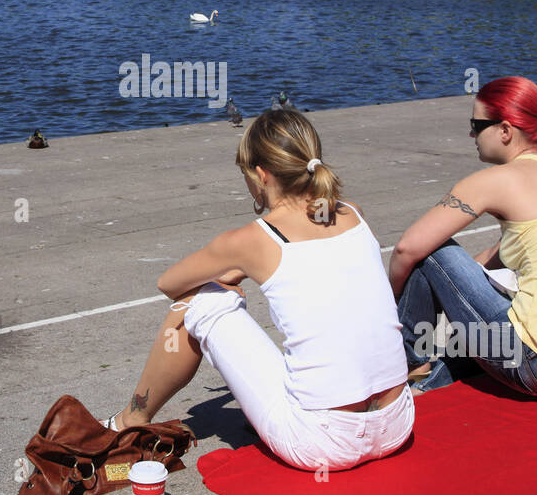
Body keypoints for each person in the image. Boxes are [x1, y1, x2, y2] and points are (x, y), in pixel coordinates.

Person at [100, 109, 413, 471]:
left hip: (324, 443)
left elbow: (170, 284)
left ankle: (129, 421)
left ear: (262, 174)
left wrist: (227, 277)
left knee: (196, 302)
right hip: (397, 423)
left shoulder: (251, 240)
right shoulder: (353, 213)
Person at [389, 76, 537, 398]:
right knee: (477, 291)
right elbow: (487, 262)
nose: (471, 134)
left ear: (505, 130)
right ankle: (431, 381)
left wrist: (385, 307)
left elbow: (407, 249)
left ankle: (407, 362)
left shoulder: (498, 180)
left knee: (432, 250)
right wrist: (444, 288)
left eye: (476, 124)